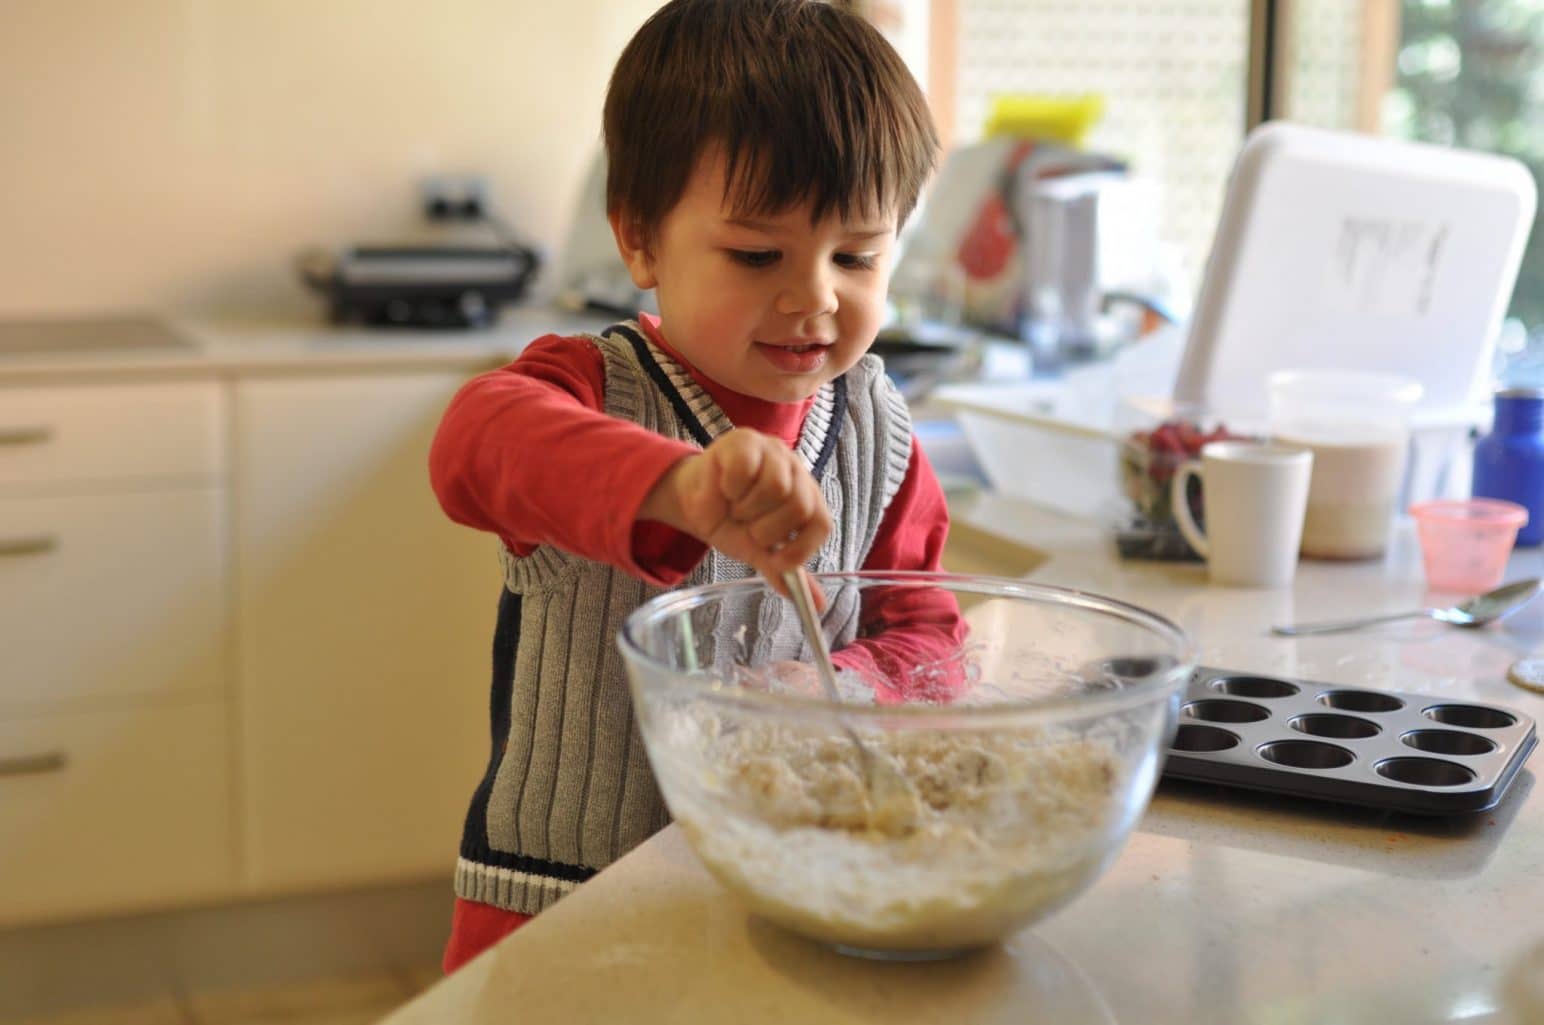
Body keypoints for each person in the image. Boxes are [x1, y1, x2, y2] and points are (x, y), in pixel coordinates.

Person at [429, 0, 959, 974]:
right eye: (756, 255)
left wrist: (830, 685)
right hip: (562, 907)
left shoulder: (878, 431)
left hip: (790, 891)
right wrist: (673, 483)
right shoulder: (593, 386)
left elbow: (925, 636)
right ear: (639, 241)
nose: (813, 296)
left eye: (857, 254)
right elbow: (470, 444)